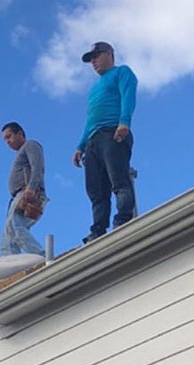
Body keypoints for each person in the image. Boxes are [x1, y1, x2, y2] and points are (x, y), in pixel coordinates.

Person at [72, 42, 137, 243]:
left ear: (110, 54)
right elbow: (90, 119)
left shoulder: (122, 72)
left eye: (97, 56)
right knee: (96, 190)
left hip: (113, 133)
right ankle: (98, 229)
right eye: (91, 58)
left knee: (118, 180)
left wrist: (124, 122)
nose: (93, 61)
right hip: (93, 141)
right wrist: (80, 146)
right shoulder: (93, 89)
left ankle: (123, 219)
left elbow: (128, 96)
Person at [0, 121, 45, 256]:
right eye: (5, 139)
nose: (7, 141)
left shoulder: (30, 145)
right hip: (17, 197)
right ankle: (10, 266)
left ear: (19, 134)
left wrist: (31, 188)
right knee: (8, 237)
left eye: (9, 136)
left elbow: (38, 167)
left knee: (16, 226)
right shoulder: (21, 152)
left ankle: (41, 256)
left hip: (27, 193)